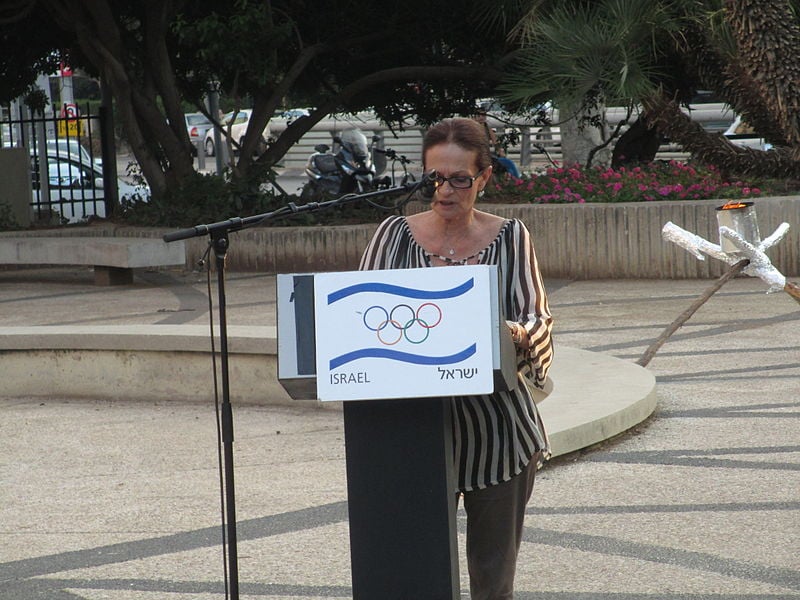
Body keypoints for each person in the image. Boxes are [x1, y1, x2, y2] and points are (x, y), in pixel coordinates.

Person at [359, 117, 554, 599]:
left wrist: (506, 331)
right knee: (416, 575)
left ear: (484, 177)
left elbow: (538, 319)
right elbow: (360, 312)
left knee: (492, 583)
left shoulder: (511, 237)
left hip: (498, 434)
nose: (445, 191)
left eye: (460, 179)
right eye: (434, 178)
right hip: (410, 433)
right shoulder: (391, 235)